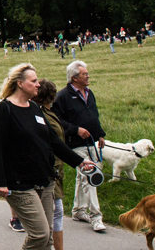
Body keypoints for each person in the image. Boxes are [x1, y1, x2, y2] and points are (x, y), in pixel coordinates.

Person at [0, 63, 95, 250]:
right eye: (34, 81)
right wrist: (0, 181)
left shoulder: (35, 109)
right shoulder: (4, 110)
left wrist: (79, 162)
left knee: (48, 239)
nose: (38, 84)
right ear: (20, 83)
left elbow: (54, 142)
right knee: (40, 234)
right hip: (19, 184)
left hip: (45, 181)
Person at [52, 60, 107, 232]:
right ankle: (96, 216)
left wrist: (100, 134)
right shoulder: (62, 97)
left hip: (91, 142)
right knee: (91, 175)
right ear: (74, 78)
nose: (88, 76)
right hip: (74, 145)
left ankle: (78, 210)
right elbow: (56, 121)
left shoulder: (90, 93)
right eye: (84, 74)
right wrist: (75, 130)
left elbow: (93, 115)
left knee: (82, 177)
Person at [36, 79, 67, 250]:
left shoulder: (48, 113)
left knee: (55, 212)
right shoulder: (41, 115)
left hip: (56, 168)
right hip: (50, 170)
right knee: (55, 212)